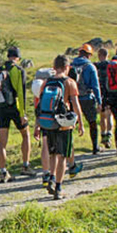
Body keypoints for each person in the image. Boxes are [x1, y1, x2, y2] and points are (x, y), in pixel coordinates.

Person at [34, 54, 82, 200]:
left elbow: (40, 105)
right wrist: (80, 121)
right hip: (63, 124)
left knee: (53, 154)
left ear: (54, 67)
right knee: (62, 156)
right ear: (67, 67)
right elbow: (75, 104)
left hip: (47, 123)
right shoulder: (69, 82)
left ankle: (51, 178)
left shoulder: (46, 82)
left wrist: (37, 125)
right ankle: (59, 188)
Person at [0, 45, 32, 182]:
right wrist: (23, 113)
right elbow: (21, 93)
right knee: (25, 135)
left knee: (2, 142)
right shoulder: (18, 70)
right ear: (18, 58)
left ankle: (3, 172)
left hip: (1, 108)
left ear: (8, 56)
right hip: (14, 107)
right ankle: (25, 166)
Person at [70, 44, 102, 155]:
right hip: (88, 98)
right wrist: (99, 101)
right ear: (89, 55)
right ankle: (95, 147)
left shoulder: (70, 65)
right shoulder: (90, 67)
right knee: (92, 123)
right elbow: (95, 85)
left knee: (70, 125)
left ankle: (69, 149)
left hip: (73, 99)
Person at [95, 46, 114, 150]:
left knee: (102, 116)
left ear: (99, 56)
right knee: (109, 115)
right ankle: (109, 135)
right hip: (110, 92)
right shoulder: (111, 65)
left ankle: (103, 135)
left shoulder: (96, 66)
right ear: (107, 55)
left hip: (100, 92)